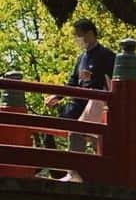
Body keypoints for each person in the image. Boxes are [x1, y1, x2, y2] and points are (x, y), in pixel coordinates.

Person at [46, 19, 114, 158]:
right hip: (80, 104)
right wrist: (57, 96)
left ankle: (80, 171)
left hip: (98, 105)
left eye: (78, 35)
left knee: (85, 134)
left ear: (89, 34)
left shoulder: (107, 55)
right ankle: (78, 171)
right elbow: (73, 82)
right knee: (77, 132)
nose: (76, 39)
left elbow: (113, 82)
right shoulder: (81, 58)